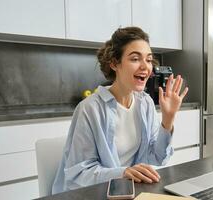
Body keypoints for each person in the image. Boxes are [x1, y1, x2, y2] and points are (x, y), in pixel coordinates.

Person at [51, 27, 188, 194]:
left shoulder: (145, 103)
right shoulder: (89, 109)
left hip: (129, 191)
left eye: (149, 59)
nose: (145, 66)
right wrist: (122, 173)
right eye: (135, 59)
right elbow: (79, 175)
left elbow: (158, 158)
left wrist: (168, 119)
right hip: (93, 194)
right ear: (115, 63)